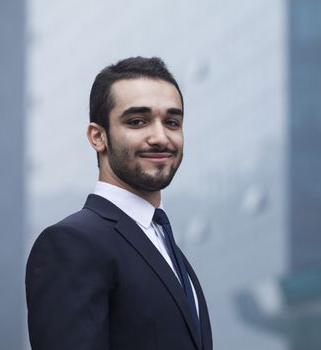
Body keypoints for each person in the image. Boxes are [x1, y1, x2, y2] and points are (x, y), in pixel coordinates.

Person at [25, 57, 212, 350]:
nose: (161, 137)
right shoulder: (72, 244)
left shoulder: (169, 250)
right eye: (137, 121)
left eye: (172, 122)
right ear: (98, 137)